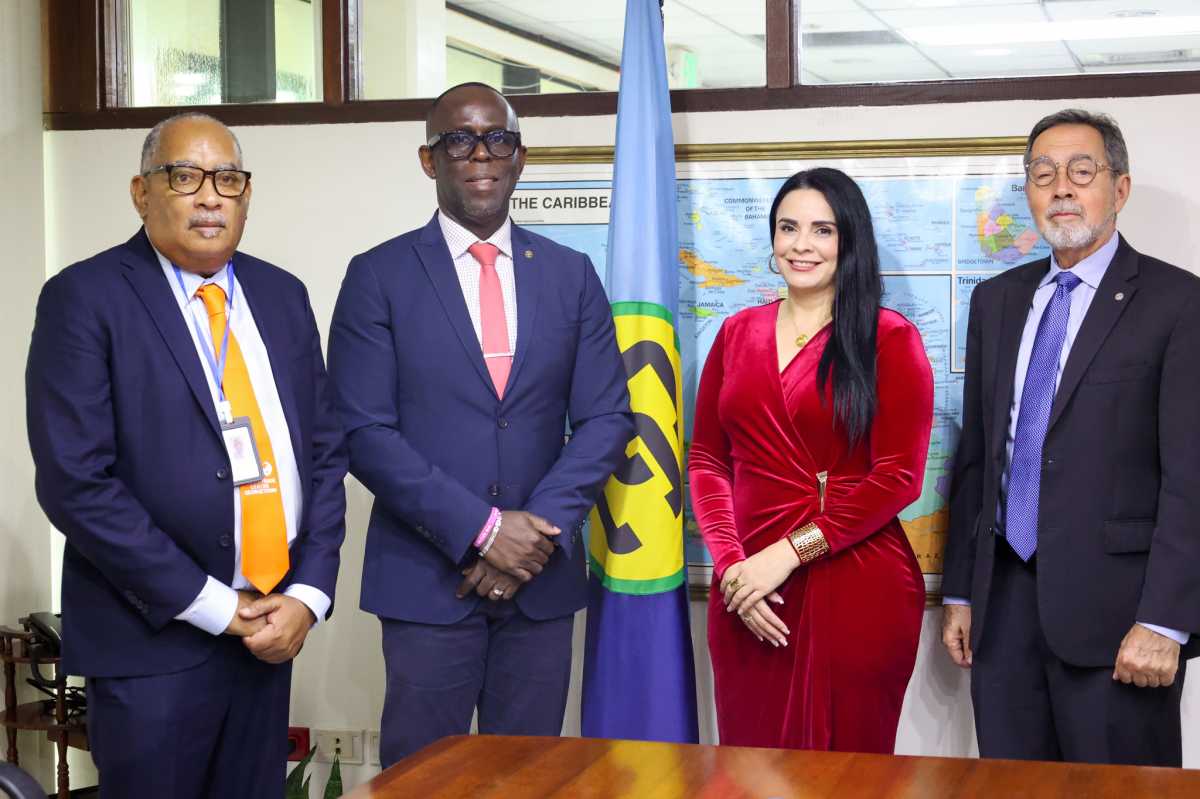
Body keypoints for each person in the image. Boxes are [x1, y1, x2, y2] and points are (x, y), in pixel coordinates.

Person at [25, 112, 347, 797]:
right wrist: (214, 605)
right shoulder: (85, 298)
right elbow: (76, 481)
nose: (209, 196)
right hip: (152, 644)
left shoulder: (282, 296)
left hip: (270, 634)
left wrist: (307, 595)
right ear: (142, 193)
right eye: (185, 176)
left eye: (227, 179)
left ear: (245, 195)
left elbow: (323, 452)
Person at [327, 82, 634, 765]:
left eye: (497, 138)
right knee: (423, 778)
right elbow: (363, 432)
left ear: (519, 157)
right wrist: (484, 532)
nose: (480, 154)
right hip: (427, 581)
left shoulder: (570, 275)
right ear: (428, 160)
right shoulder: (378, 276)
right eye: (459, 140)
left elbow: (606, 417)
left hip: (541, 583)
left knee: (530, 777)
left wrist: (531, 538)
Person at [941, 109, 1200, 766]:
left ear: (1120, 188)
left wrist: (1166, 619)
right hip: (1003, 618)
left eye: (1081, 172)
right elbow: (978, 457)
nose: (1061, 188)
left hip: (1121, 624)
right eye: (1043, 173)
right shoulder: (997, 301)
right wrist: (962, 591)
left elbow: (1191, 476)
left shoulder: (1177, 303)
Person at [688, 167, 933, 752]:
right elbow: (706, 460)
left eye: (822, 230)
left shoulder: (889, 338)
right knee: (749, 767)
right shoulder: (734, 333)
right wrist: (732, 568)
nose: (802, 244)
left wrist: (787, 554)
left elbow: (898, 478)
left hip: (854, 581)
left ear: (849, 241)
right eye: (788, 227)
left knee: (847, 771)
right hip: (747, 589)